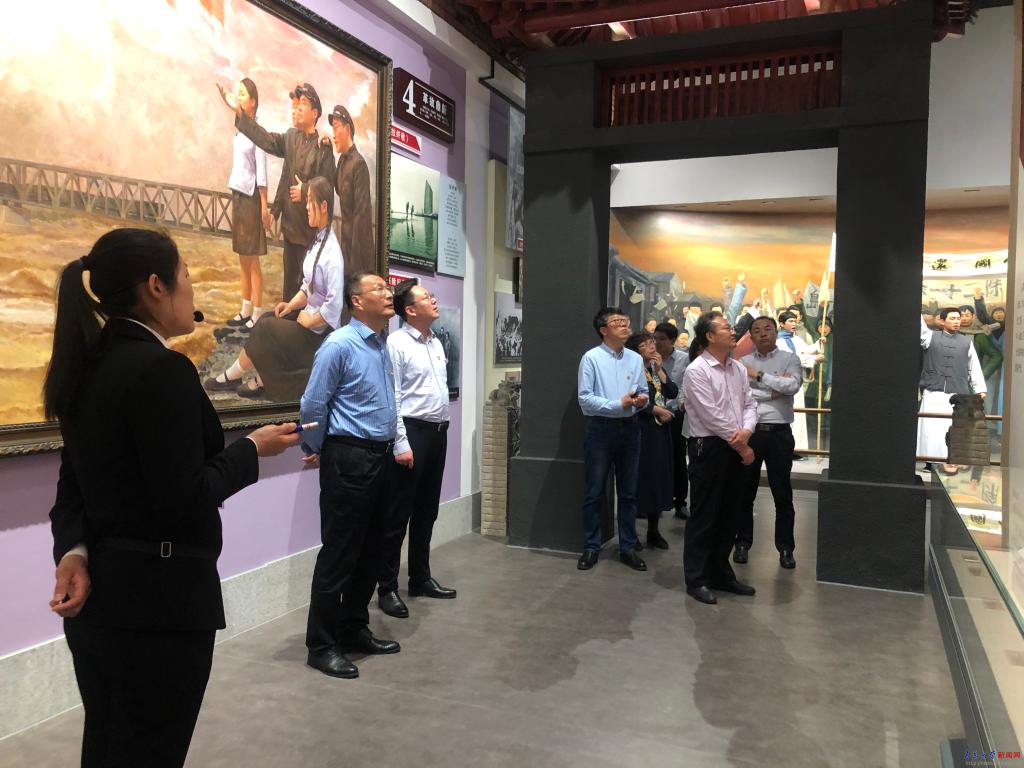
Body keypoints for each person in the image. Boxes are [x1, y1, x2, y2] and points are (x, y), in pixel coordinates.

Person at [44, 228, 299, 768]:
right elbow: (185, 495)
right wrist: (252, 449)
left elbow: (74, 479)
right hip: (159, 607)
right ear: (156, 286)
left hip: (100, 603)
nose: (192, 289)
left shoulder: (87, 363)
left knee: (108, 746)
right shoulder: (162, 370)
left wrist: (73, 551)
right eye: (185, 276)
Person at [299, 271, 406, 679]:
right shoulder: (339, 344)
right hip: (349, 457)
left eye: (387, 287)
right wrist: (317, 446)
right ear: (357, 301)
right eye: (379, 288)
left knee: (373, 550)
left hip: (381, 457)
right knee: (340, 552)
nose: (388, 293)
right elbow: (313, 404)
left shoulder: (381, 344)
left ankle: (353, 628)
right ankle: (321, 644)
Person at [204, 176, 343, 400]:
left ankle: (238, 376)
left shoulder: (332, 254)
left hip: (317, 336)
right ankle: (253, 377)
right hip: (307, 321)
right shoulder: (319, 240)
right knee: (268, 317)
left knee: (267, 329)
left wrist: (309, 320)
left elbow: (334, 307)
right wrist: (291, 305)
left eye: (310, 201)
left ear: (324, 206)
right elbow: (308, 287)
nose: (306, 207)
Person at [377, 280, 456, 619]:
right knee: (398, 514)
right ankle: (387, 587)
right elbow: (393, 396)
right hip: (412, 433)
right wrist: (400, 441)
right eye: (427, 297)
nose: (434, 300)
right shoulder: (396, 343)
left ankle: (420, 578)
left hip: (438, 433)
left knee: (427, 511)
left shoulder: (435, 341)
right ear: (410, 310)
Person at [682, 311, 757, 605]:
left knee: (730, 513)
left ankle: (721, 573)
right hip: (710, 447)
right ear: (710, 336)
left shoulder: (737, 368)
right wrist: (742, 445)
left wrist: (747, 430)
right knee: (704, 515)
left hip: (736, 442)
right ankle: (697, 579)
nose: (732, 331)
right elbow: (710, 415)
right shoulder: (697, 370)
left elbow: (750, 404)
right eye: (726, 328)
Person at [234, 82, 335, 298]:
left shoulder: (323, 146)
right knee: (289, 290)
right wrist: (275, 211)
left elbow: (327, 185)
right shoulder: (290, 137)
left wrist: (305, 189)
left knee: (309, 290)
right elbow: (268, 145)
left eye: (302, 104)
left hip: (310, 233)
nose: (296, 109)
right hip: (290, 228)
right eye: (295, 105)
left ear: (315, 113)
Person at [576, 307, 649, 572]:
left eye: (625, 321)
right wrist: (618, 404)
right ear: (603, 330)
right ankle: (591, 546)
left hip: (630, 429)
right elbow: (585, 399)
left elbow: (643, 391)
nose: (624, 325)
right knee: (594, 491)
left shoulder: (635, 358)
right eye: (617, 322)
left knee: (628, 493)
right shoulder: (591, 358)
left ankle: (627, 547)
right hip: (601, 430)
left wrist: (642, 400)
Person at [735, 316, 802, 569]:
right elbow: (740, 396)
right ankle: (742, 543)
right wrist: (773, 391)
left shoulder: (789, 359)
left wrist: (759, 376)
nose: (763, 333)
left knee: (782, 493)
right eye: (757, 330)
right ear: (750, 336)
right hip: (751, 433)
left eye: (768, 329)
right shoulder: (743, 363)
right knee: (745, 492)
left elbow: (792, 386)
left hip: (780, 434)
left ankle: (786, 548)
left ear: (775, 332)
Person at [216, 78, 269, 331]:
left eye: (243, 94)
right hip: (238, 195)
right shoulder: (240, 131)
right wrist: (229, 103)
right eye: (238, 93)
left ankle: (257, 312)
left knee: (253, 259)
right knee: (242, 258)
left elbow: (262, 174)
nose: (238, 97)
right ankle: (245, 308)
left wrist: (264, 207)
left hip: (251, 199)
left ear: (253, 102)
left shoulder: (258, 133)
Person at [626, 330, 678, 549]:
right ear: (636, 350)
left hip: (659, 431)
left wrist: (660, 371)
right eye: (646, 344)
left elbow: (672, 392)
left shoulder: (654, 369)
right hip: (641, 428)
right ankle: (631, 534)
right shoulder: (632, 370)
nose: (652, 346)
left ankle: (654, 530)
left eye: (652, 342)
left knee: (659, 477)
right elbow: (633, 398)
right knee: (640, 479)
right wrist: (656, 410)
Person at [917, 308, 986, 466]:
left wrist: (979, 389)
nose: (957, 321)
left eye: (958, 318)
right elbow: (919, 326)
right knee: (931, 427)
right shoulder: (930, 337)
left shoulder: (966, 342)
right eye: (952, 318)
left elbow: (973, 366)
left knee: (952, 426)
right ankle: (930, 461)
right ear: (942, 321)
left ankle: (951, 461)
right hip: (933, 391)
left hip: (956, 392)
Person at [326, 105, 375, 276]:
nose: (333, 134)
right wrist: (327, 150)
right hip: (346, 248)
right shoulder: (342, 162)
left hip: (359, 255)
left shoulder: (359, 164)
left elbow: (361, 217)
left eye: (336, 127)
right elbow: (333, 185)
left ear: (347, 128)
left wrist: (354, 266)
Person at [653, 322, 689, 519]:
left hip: (676, 414)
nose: (657, 343)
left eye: (662, 339)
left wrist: (675, 406)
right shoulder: (649, 359)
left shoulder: (684, 359)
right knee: (655, 459)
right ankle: (654, 503)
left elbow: (685, 386)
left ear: (673, 340)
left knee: (678, 458)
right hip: (653, 414)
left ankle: (680, 502)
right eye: (655, 338)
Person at [777, 311, 822, 459]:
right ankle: (785, 449)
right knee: (788, 414)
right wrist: (813, 359)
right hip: (784, 382)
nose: (794, 324)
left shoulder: (796, 339)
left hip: (797, 381)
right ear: (782, 323)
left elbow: (808, 349)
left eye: (795, 321)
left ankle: (797, 449)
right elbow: (790, 359)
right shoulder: (778, 341)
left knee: (798, 415)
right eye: (790, 321)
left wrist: (819, 342)